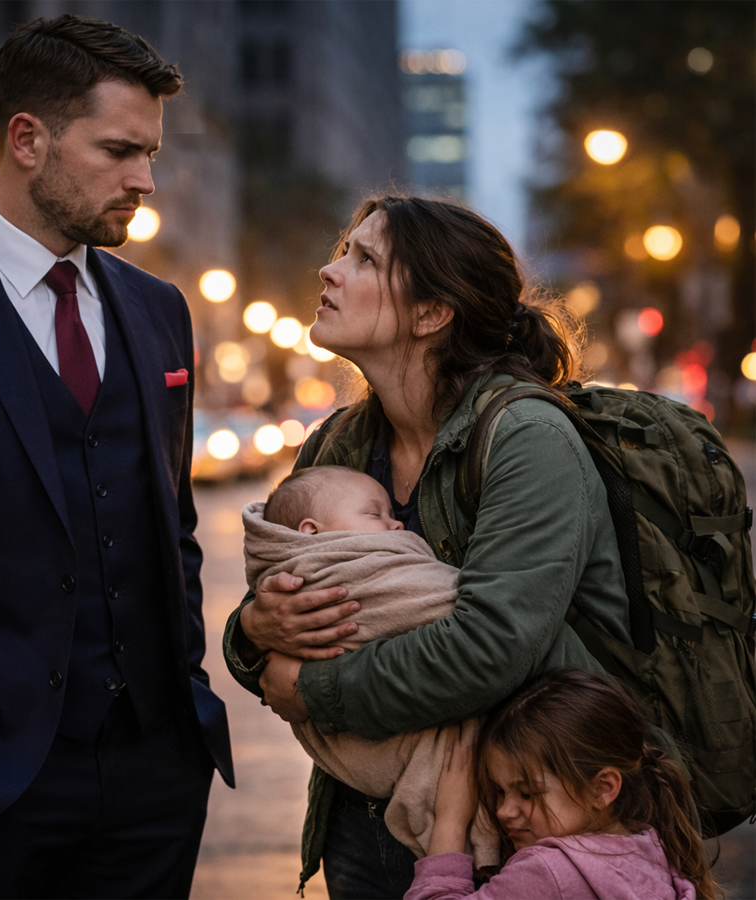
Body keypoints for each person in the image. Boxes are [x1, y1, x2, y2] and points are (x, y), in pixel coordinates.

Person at [0, 14, 233, 899]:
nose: (145, 180)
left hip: (151, 783)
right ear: (25, 139)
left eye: (151, 153)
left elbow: (168, 526)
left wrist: (184, 701)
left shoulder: (157, 309)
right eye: (118, 151)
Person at [223, 196, 635, 898]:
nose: (328, 270)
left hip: (522, 832)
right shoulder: (339, 444)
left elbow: (491, 647)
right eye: (342, 251)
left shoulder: (526, 440)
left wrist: (312, 690)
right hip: (362, 826)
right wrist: (251, 634)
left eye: (364, 259)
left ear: (431, 314)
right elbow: (279, 589)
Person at [244, 466, 498, 864]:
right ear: (311, 532)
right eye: (374, 514)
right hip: (361, 808)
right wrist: (248, 630)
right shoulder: (335, 573)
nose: (395, 524)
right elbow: (469, 615)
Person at [405, 668, 715, 900]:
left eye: (527, 793)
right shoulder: (648, 848)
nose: (503, 811)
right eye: (499, 791)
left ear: (602, 789)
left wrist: (450, 819)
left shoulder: (550, 870)